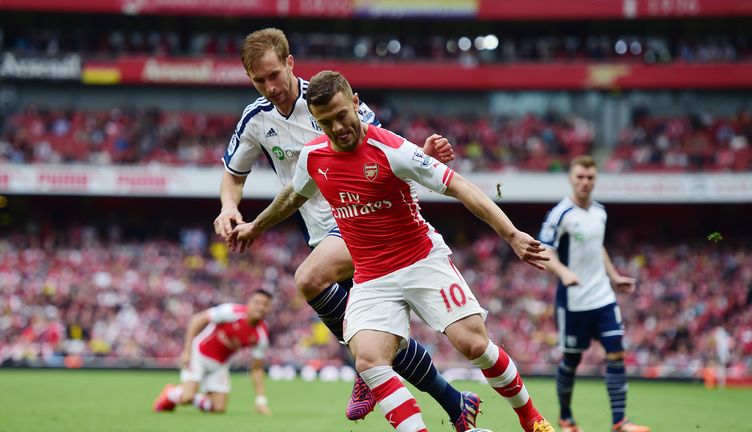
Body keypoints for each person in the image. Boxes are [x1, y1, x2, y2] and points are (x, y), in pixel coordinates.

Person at [229, 70, 556, 432]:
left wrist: (511, 235)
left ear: (355, 103)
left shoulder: (391, 148)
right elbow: (293, 194)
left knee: (473, 344)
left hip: (420, 260)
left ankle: (532, 419)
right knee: (369, 361)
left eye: (341, 115)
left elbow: (459, 186)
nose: (337, 128)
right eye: (325, 122)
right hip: (372, 277)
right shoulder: (313, 157)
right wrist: (255, 226)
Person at [214, 28, 481, 430]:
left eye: (274, 74)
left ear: (290, 63)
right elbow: (233, 175)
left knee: (309, 279)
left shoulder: (327, 99)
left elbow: (380, 142)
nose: (270, 87)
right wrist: (229, 207)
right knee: (376, 350)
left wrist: (419, 156)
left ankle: (369, 368)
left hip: (365, 218)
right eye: (258, 80)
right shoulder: (256, 120)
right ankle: (454, 402)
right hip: (321, 233)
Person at [537, 155, 650, 432]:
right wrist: (564, 273)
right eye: (580, 177)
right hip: (574, 302)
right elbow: (544, 250)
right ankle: (566, 418)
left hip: (603, 298)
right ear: (571, 178)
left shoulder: (600, 212)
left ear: (595, 179)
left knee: (616, 354)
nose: (585, 182)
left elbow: (598, 247)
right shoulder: (560, 214)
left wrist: (614, 277)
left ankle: (619, 421)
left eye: (590, 177)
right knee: (572, 361)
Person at [152, 289, 273, 415]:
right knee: (187, 398)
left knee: (218, 409)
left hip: (220, 365)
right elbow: (197, 319)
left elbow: (257, 368)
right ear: (249, 303)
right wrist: (187, 351)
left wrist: (261, 401)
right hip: (199, 355)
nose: (260, 307)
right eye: (257, 303)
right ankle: (170, 393)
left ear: (269, 308)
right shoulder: (231, 312)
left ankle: (194, 398)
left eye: (265, 305)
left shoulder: (262, 333)